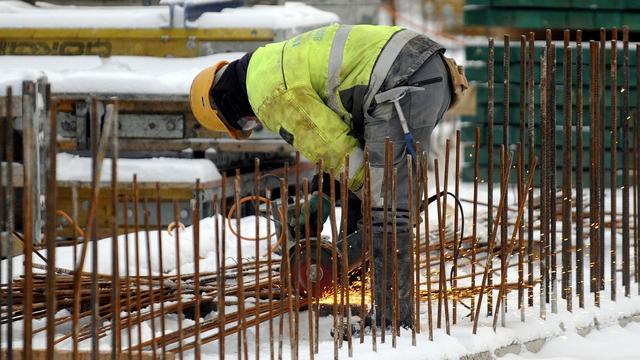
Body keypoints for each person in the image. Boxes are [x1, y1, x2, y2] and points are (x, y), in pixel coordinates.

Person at [189, 23, 467, 334]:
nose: (252, 120)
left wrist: (376, 193)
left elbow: (335, 149)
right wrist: (323, 194)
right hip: (419, 70)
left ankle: (391, 323)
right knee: (368, 196)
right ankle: (357, 288)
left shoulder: (266, 92)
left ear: (225, 101)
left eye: (242, 120)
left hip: (401, 79)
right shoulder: (267, 64)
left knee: (385, 210)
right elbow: (339, 134)